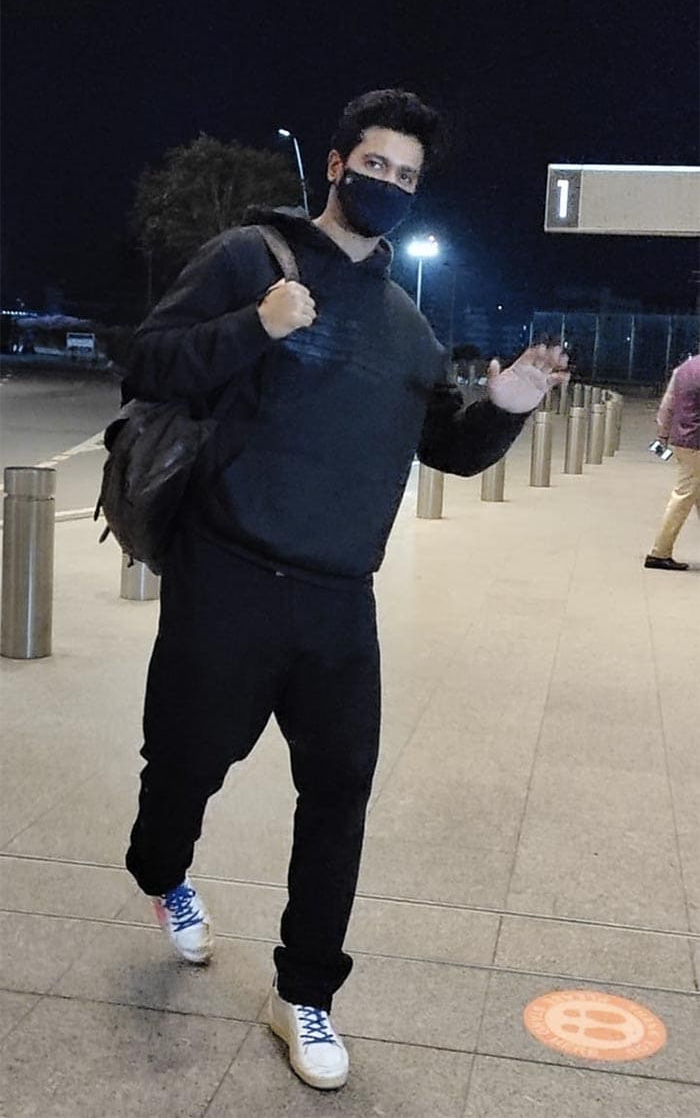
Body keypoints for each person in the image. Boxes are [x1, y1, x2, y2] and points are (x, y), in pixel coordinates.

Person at [123, 89, 568, 1091]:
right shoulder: (252, 258)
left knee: (339, 795)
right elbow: (148, 362)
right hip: (228, 575)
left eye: (408, 178)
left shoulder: (407, 326)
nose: (391, 188)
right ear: (336, 164)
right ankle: (163, 872)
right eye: (378, 167)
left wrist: (502, 404)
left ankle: (305, 989)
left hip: (337, 603)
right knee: (186, 762)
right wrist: (254, 326)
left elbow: (444, 444)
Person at [644, 353, 700, 571]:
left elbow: (667, 405)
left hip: (683, 440)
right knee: (683, 495)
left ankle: (660, 551)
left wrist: (663, 436)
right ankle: (659, 552)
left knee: (694, 493)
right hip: (696, 442)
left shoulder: (684, 368)